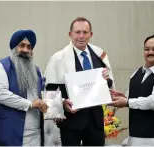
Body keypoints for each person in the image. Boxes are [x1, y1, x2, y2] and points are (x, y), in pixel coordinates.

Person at [44, 17, 115, 146]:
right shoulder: (58, 58)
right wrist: (62, 103)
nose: (81, 36)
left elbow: (108, 86)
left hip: (95, 122)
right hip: (71, 122)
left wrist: (107, 80)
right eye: (77, 32)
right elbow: (50, 91)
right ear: (70, 34)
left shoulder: (99, 54)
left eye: (85, 32)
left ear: (91, 34)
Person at [110, 34, 154, 146]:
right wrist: (125, 97)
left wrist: (128, 102)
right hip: (137, 134)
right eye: (147, 49)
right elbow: (132, 98)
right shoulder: (137, 73)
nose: (150, 52)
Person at [0, 30, 48, 146]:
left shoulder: (37, 71)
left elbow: (44, 95)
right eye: (21, 45)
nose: (25, 50)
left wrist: (60, 103)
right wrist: (30, 104)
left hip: (34, 137)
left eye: (29, 47)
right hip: (6, 136)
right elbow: (0, 94)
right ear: (13, 47)